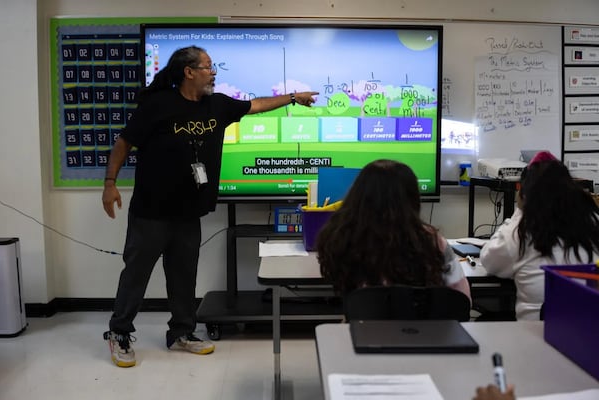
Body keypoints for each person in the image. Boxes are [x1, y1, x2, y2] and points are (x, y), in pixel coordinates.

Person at [101, 45, 318, 367]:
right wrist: (109, 184)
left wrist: (292, 97)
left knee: (183, 275)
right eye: (207, 66)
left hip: (190, 211)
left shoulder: (217, 105)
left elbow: (256, 105)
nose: (213, 72)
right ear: (189, 72)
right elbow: (124, 142)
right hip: (151, 211)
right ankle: (119, 332)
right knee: (136, 274)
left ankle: (181, 333)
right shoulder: (157, 105)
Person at [316, 159, 471, 302]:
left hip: (362, 327)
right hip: (424, 328)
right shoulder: (432, 241)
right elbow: (462, 300)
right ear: (412, 198)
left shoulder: (339, 237)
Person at [480, 151, 599, 320]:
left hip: (536, 333)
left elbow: (488, 261)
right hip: (589, 330)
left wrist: (520, 212)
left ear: (524, 192)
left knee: (486, 319)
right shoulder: (593, 221)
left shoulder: (520, 231)